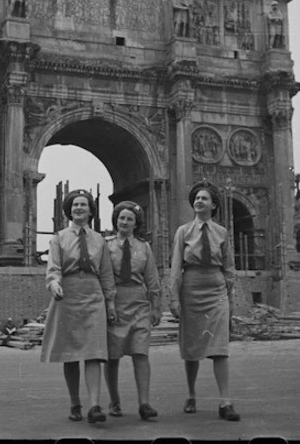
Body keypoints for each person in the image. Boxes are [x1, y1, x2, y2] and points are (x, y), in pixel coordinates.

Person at [40, 189, 117, 424]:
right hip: (68, 294)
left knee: (94, 352)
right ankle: (75, 402)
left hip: (93, 294)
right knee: (70, 353)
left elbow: (106, 273)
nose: (79, 209)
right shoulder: (59, 238)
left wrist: (110, 301)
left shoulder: (99, 240)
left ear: (91, 211)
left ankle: (95, 405)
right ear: (69, 211)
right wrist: (54, 284)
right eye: (75, 205)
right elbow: (53, 268)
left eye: (84, 205)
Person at [169, 180, 240, 421]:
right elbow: (176, 266)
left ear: (214, 204)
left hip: (217, 289)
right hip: (192, 288)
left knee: (220, 347)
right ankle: (191, 394)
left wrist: (229, 295)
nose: (199, 201)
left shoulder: (222, 232)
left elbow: (229, 266)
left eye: (204, 198)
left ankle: (225, 401)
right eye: (197, 198)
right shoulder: (184, 231)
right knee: (192, 347)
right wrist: (174, 298)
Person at [104, 201, 162, 421]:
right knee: (113, 356)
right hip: (116, 303)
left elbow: (152, 278)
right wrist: (109, 303)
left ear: (136, 223)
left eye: (129, 219)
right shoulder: (106, 246)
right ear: (116, 221)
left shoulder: (143, 247)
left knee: (141, 354)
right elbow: (106, 277)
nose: (125, 222)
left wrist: (156, 306)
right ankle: (114, 401)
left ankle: (144, 403)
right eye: (121, 218)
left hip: (139, 303)